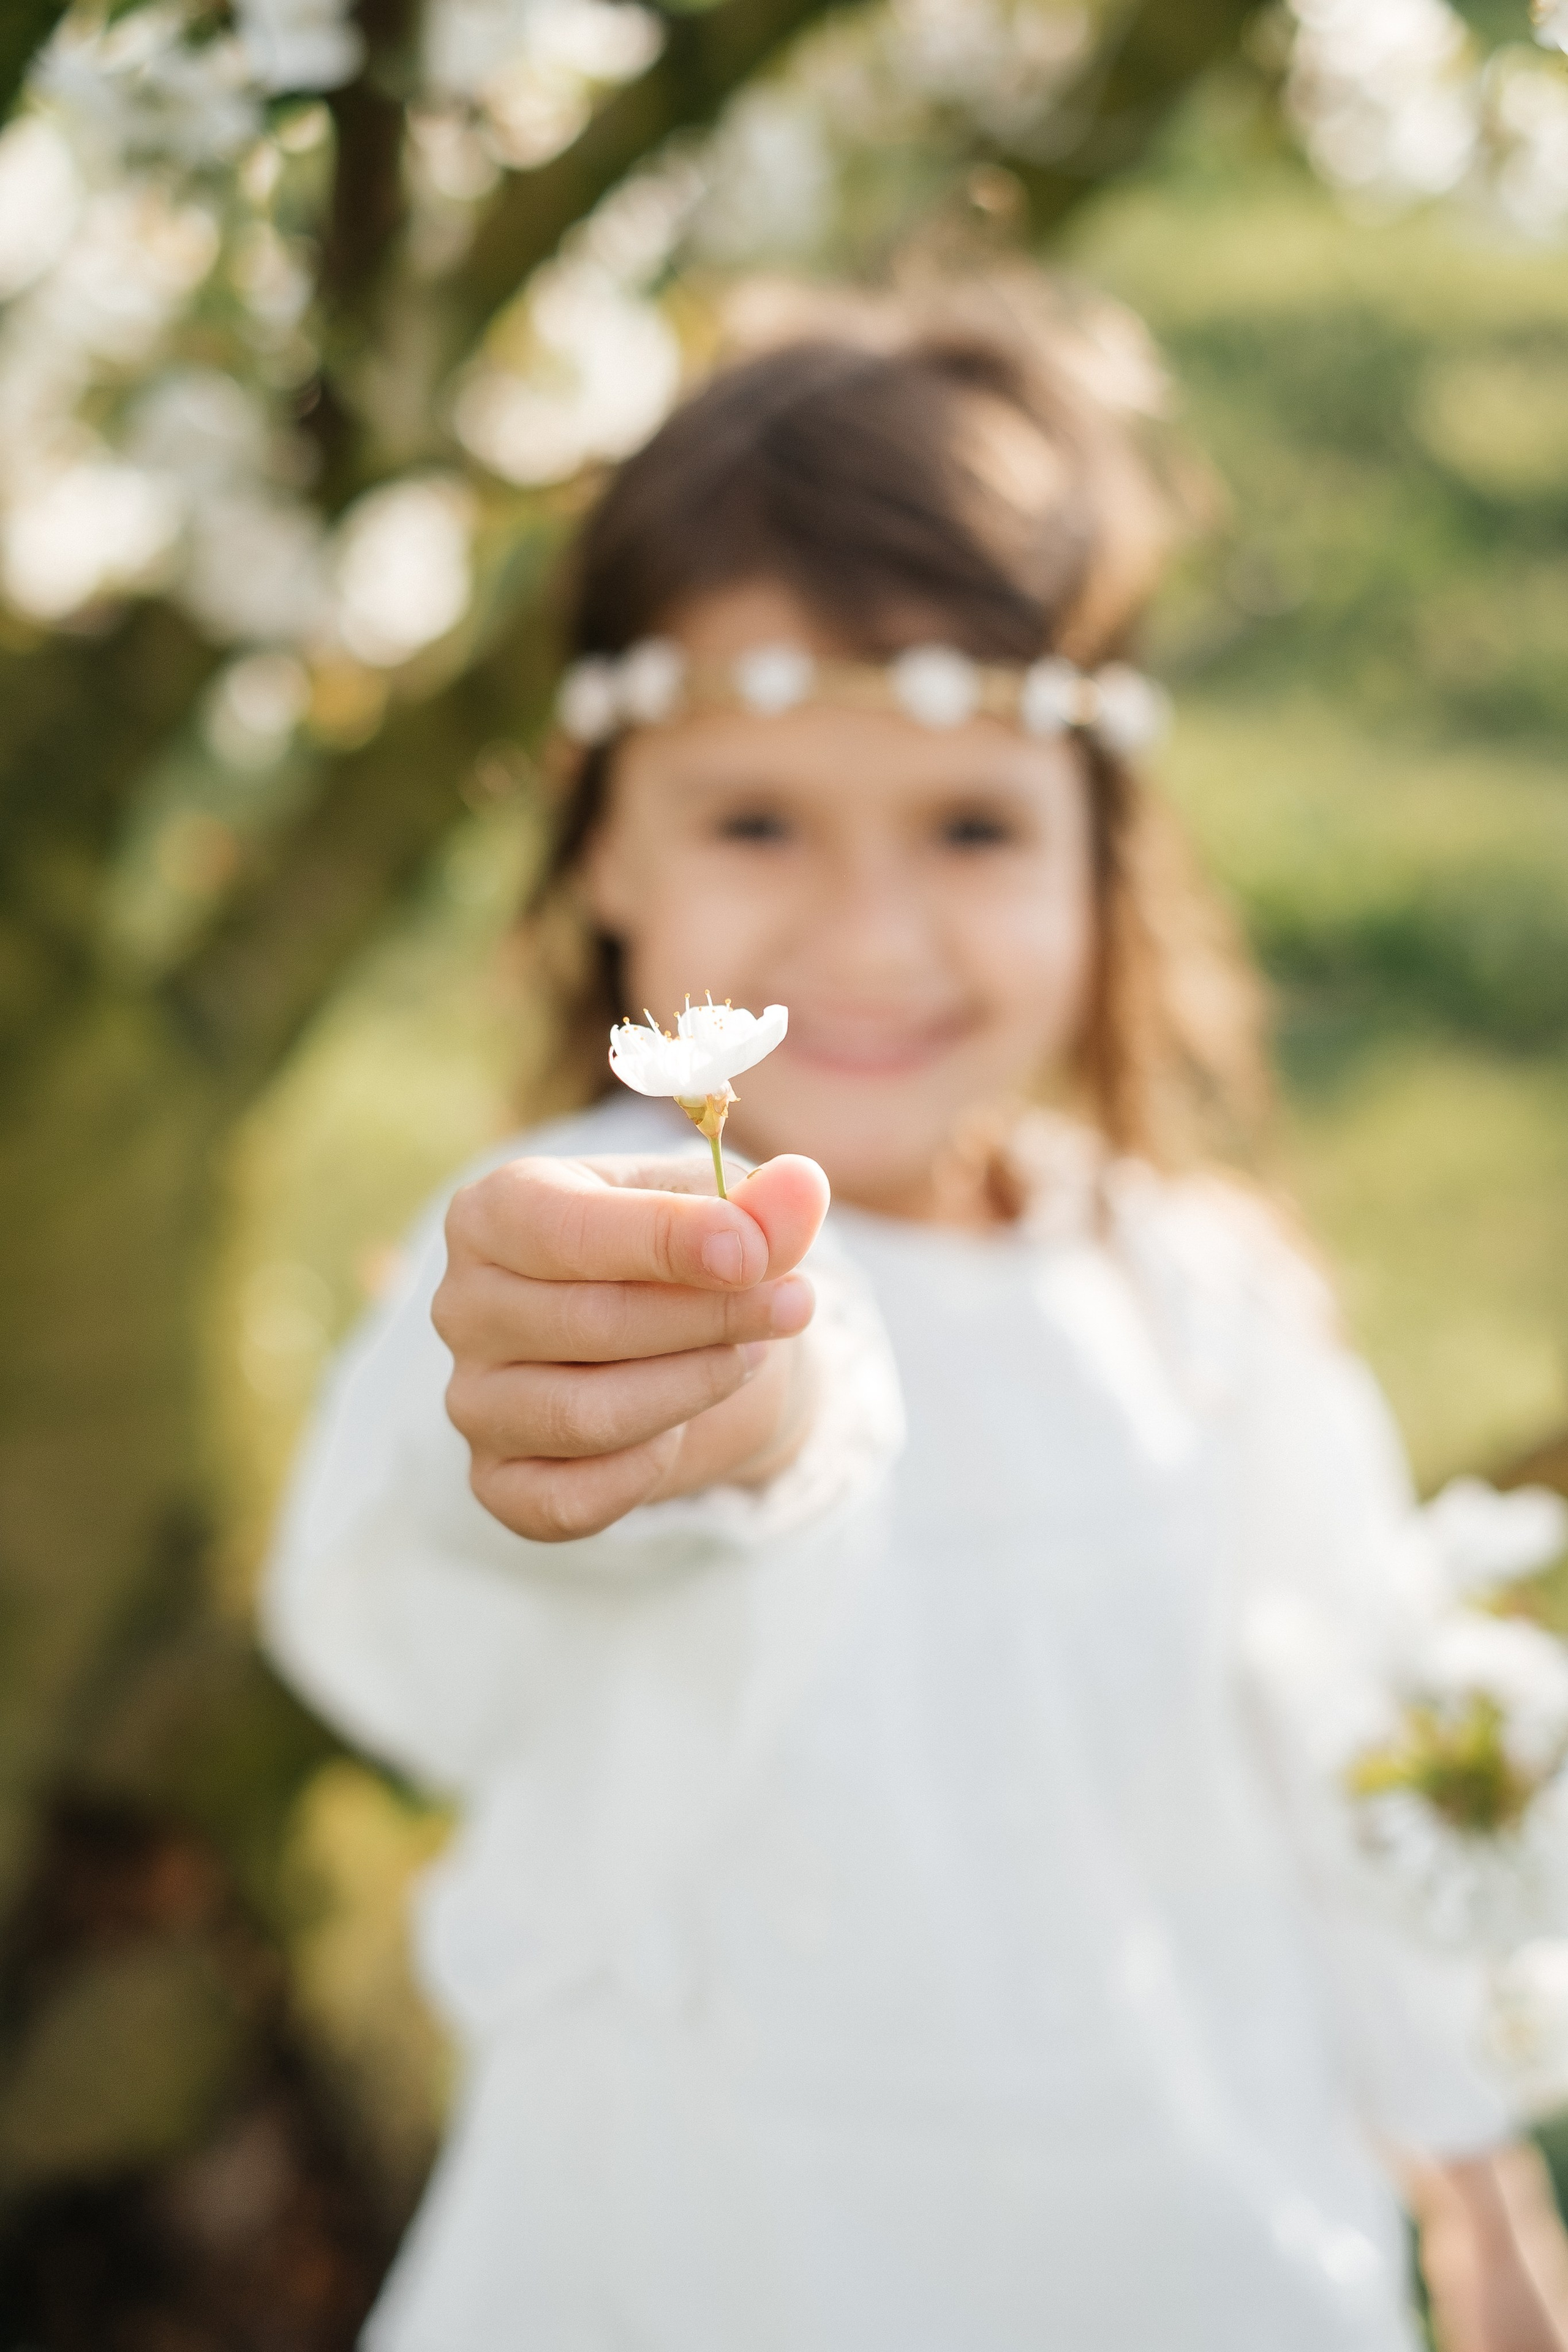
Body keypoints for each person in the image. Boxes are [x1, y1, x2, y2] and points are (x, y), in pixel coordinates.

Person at [263, 282, 1568, 2350]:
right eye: (759, 821)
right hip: (711, 2247)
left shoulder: (1196, 1304)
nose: (870, 936)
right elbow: (447, 1543)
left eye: (971, 828)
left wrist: (1468, 2157)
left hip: (1175, 2232)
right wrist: (653, 1413)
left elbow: (1342, 1732)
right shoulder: (594, 1240)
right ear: (609, 842)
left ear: (1102, 852)